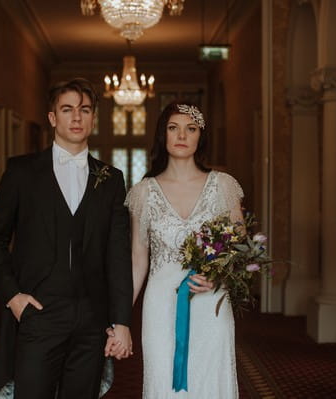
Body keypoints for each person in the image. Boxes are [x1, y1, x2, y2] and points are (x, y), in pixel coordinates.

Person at [0, 78, 133, 399]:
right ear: (53, 118)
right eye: (67, 110)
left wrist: (121, 321)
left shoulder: (111, 179)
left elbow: (118, 255)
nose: (76, 118)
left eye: (84, 110)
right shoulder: (22, 172)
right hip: (38, 312)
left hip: (92, 318)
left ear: (93, 118)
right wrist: (13, 297)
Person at [125, 101, 244, 398]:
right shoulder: (143, 192)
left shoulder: (223, 186)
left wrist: (219, 277)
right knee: (163, 379)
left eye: (190, 129)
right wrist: (119, 317)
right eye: (173, 128)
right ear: (162, 135)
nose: (181, 135)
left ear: (200, 136)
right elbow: (138, 260)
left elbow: (240, 247)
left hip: (211, 301)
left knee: (209, 378)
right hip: (160, 306)